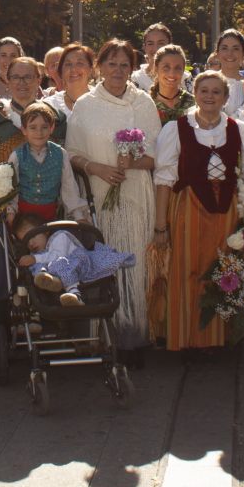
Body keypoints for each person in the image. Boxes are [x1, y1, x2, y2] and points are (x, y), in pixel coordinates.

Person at [66, 39, 164, 356]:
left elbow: (158, 156)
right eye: (112, 64)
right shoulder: (85, 105)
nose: (118, 71)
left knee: (135, 263)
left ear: (132, 68)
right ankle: (108, 334)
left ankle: (139, 331)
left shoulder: (143, 103)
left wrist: (131, 163)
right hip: (101, 192)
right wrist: (97, 168)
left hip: (135, 193)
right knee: (108, 264)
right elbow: (72, 154)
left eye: (124, 64)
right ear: (100, 67)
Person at [153, 70, 244, 350]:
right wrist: (160, 225)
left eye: (216, 92)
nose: (209, 96)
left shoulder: (238, 128)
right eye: (204, 90)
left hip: (227, 210)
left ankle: (220, 338)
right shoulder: (176, 128)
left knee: (224, 270)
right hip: (189, 207)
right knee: (187, 269)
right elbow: (164, 179)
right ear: (195, 93)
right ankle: (186, 338)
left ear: (225, 97)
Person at [14, 212, 135, 306]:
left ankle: (74, 295)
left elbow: (58, 256)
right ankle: (51, 281)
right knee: (38, 267)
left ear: (45, 231)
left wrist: (34, 259)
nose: (31, 243)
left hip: (79, 264)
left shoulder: (59, 237)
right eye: (26, 241)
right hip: (60, 272)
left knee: (59, 263)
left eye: (33, 236)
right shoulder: (40, 253)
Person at [0, 55, 66, 162]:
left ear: (39, 80)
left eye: (28, 77)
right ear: (8, 81)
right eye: (15, 77)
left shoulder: (55, 116)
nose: (22, 82)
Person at [10, 101, 86, 221]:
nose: (39, 133)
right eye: (33, 127)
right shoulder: (17, 156)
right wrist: (11, 214)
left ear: (52, 128)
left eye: (44, 127)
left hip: (51, 215)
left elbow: (69, 187)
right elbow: (12, 191)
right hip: (24, 217)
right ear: (24, 130)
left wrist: (78, 216)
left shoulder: (60, 154)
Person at [149, 44, 196, 126]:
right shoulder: (147, 103)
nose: (172, 74)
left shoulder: (193, 103)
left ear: (183, 70)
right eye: (166, 67)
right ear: (156, 68)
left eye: (177, 68)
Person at [45, 42, 95, 117]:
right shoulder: (49, 106)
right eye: (68, 64)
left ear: (90, 69)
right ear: (61, 70)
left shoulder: (102, 101)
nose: (73, 69)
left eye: (80, 63)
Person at [213, 29, 244, 111]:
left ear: (243, 53)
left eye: (236, 49)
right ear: (217, 53)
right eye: (224, 48)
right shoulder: (208, 82)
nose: (230, 53)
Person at [131, 23, 174, 92]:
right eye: (150, 43)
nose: (156, 48)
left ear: (170, 46)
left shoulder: (183, 77)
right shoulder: (135, 79)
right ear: (144, 47)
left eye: (161, 43)